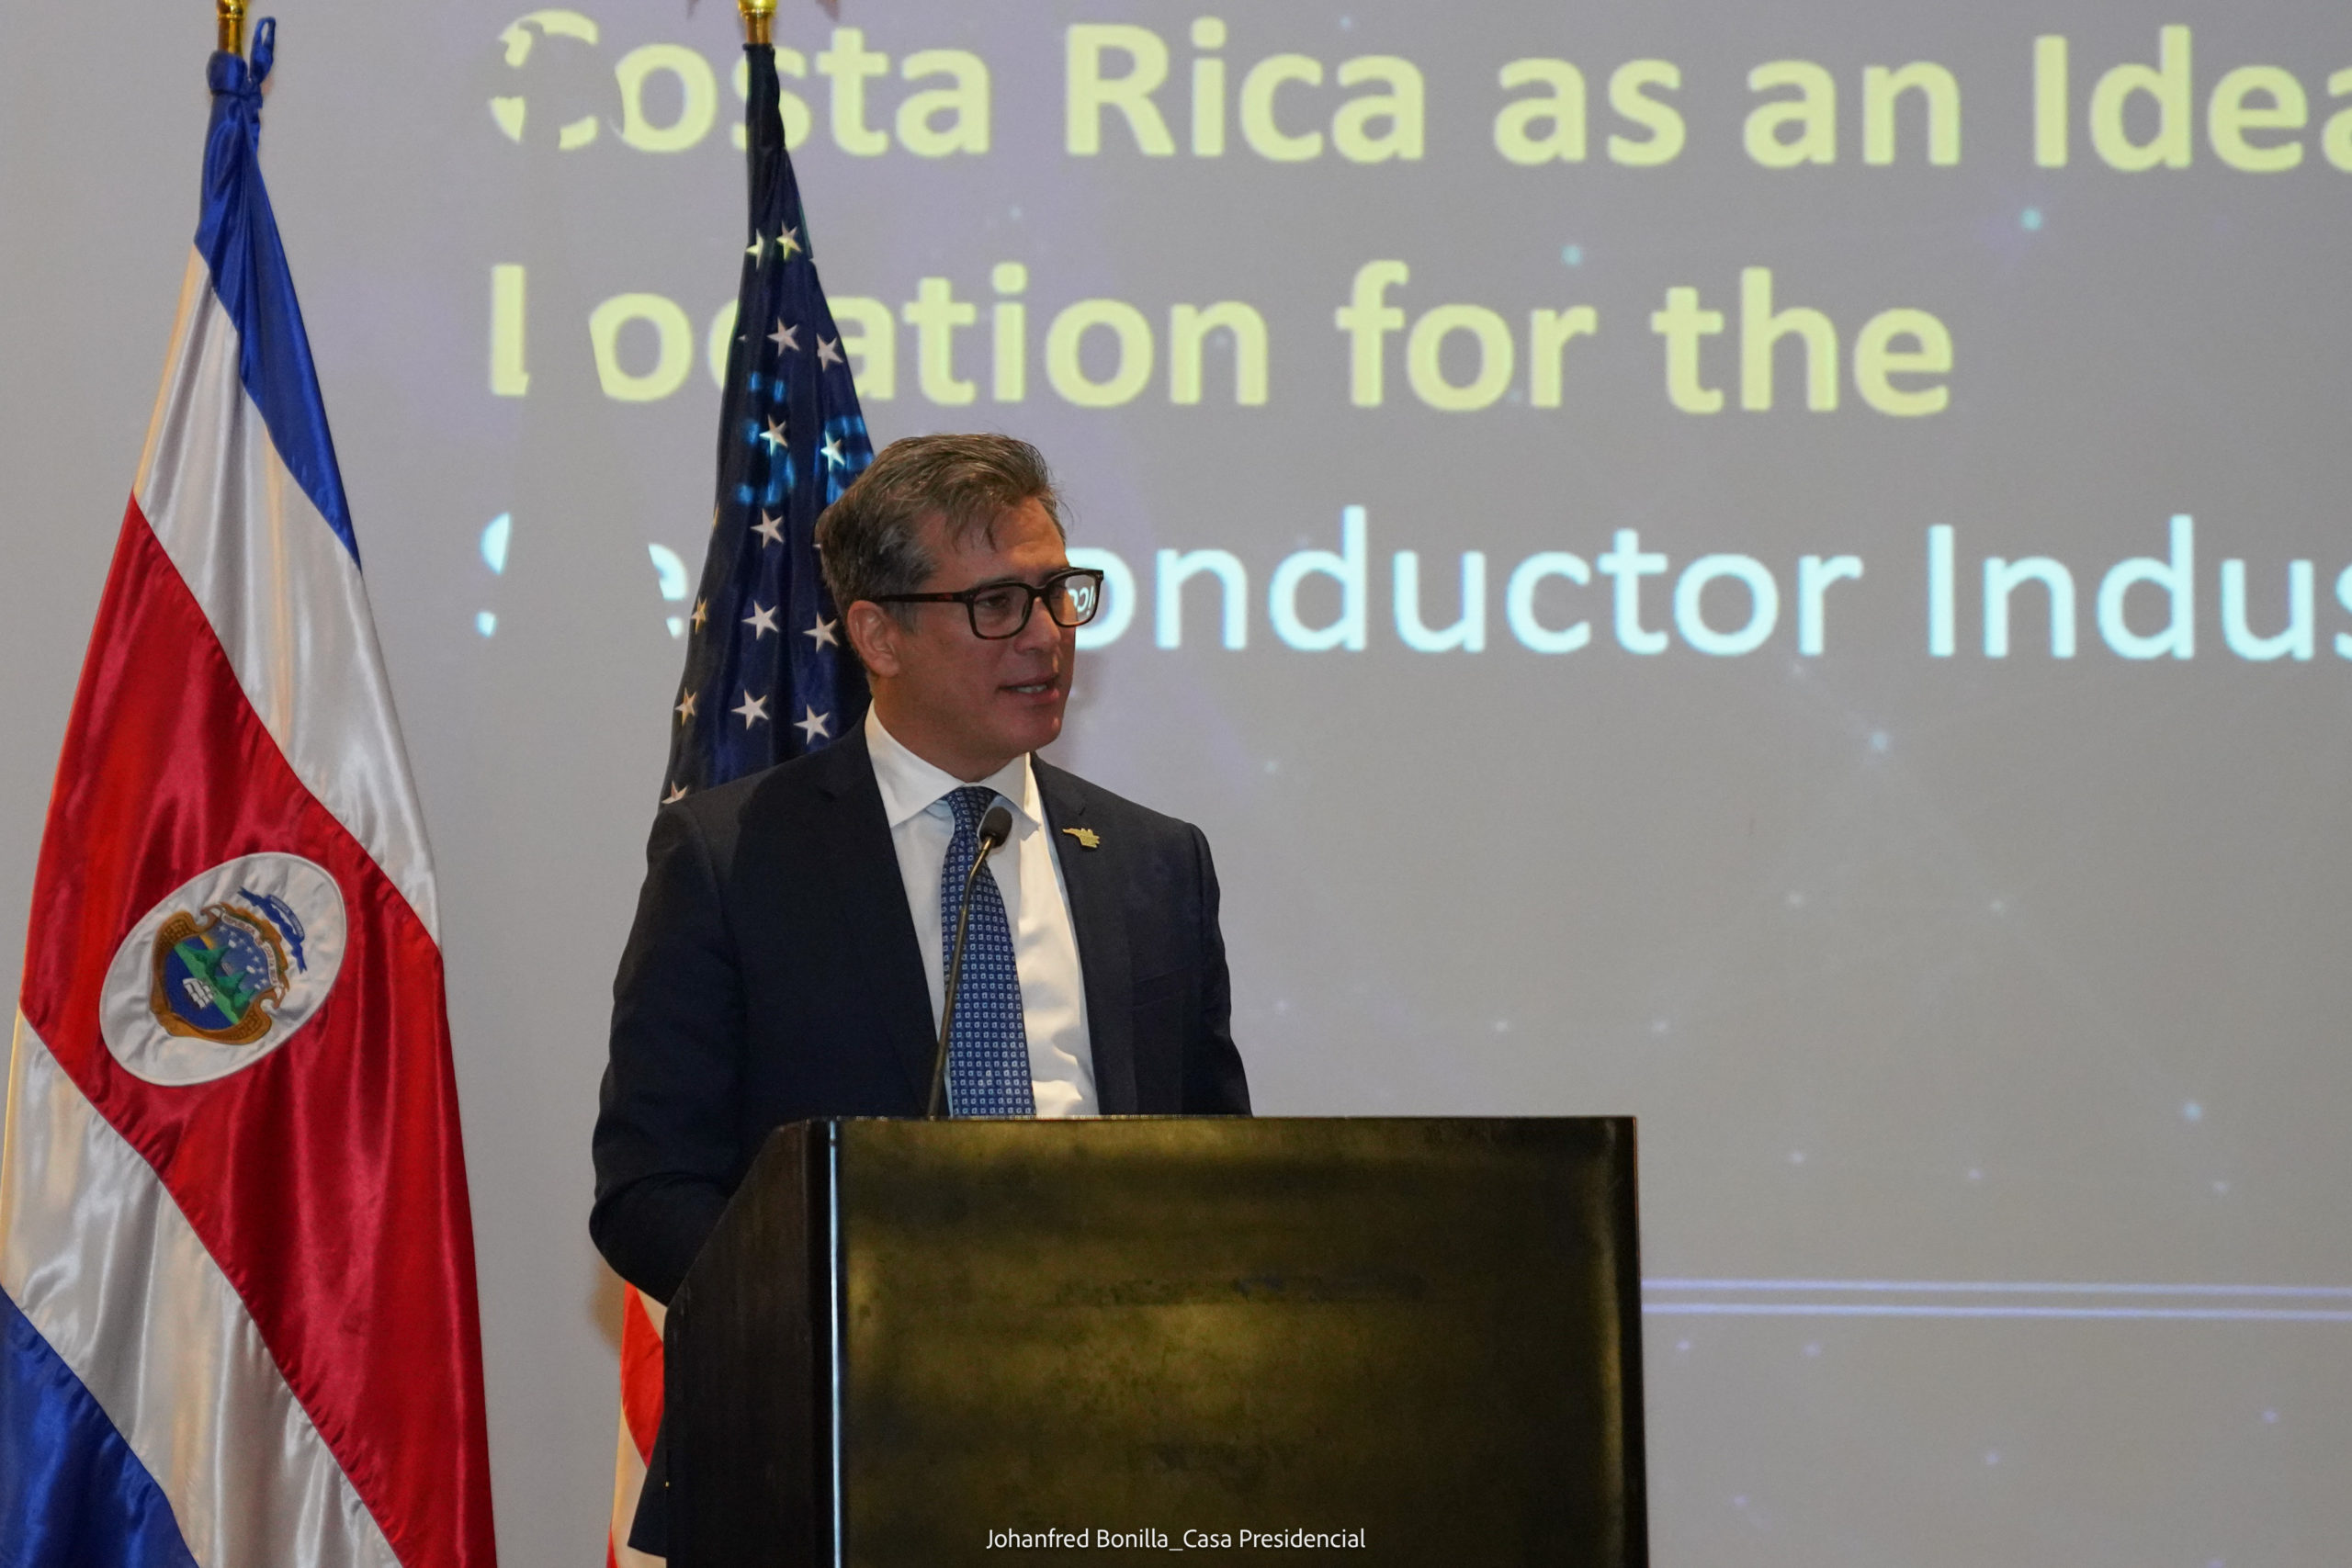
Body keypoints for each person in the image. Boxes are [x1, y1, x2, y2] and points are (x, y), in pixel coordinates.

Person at [592, 433, 1250, 1309]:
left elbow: (1223, 1169)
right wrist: (840, 1318)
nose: (1046, 635)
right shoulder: (732, 858)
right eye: (997, 603)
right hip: (851, 1373)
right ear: (879, 635)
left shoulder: (1157, 862)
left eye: (1058, 592)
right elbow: (650, 1188)